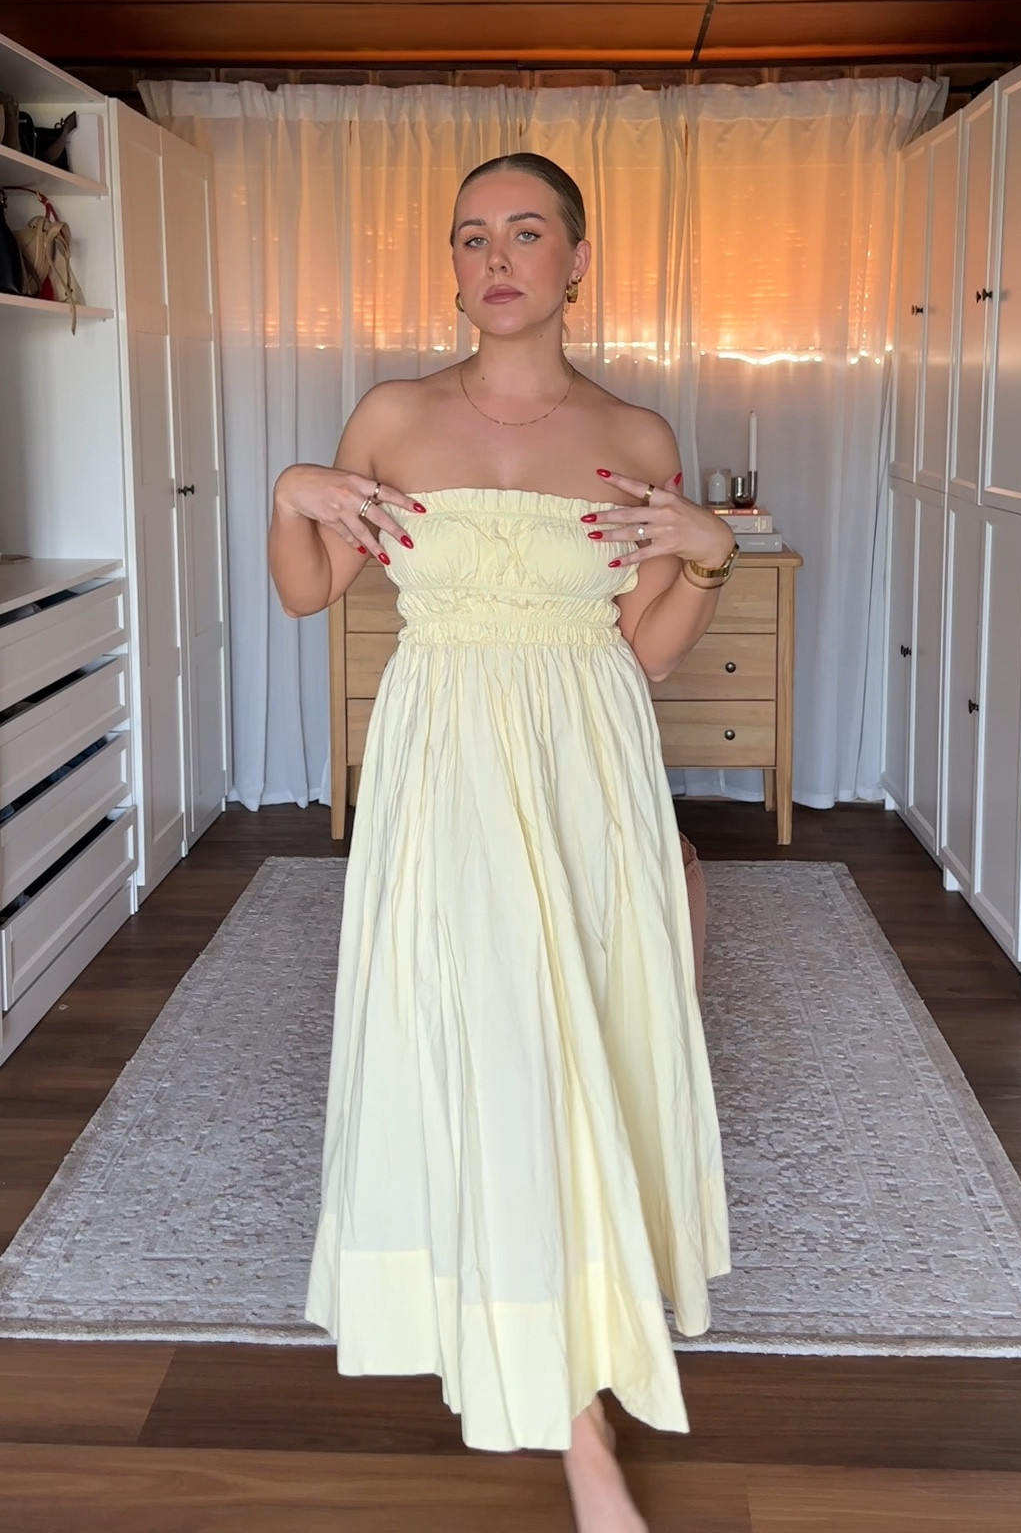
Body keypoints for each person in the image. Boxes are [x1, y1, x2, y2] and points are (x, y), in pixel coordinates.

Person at [269, 152, 736, 1533]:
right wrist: (292, 492)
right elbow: (307, 592)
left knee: (579, 1038)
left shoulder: (636, 435)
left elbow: (648, 649)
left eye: (527, 233)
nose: (497, 258)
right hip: (444, 764)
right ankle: (569, 1412)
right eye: (473, 237)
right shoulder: (394, 415)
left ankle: (571, 1372)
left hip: (587, 761)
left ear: (578, 261)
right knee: (485, 1037)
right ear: (456, 268)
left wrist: (707, 550)